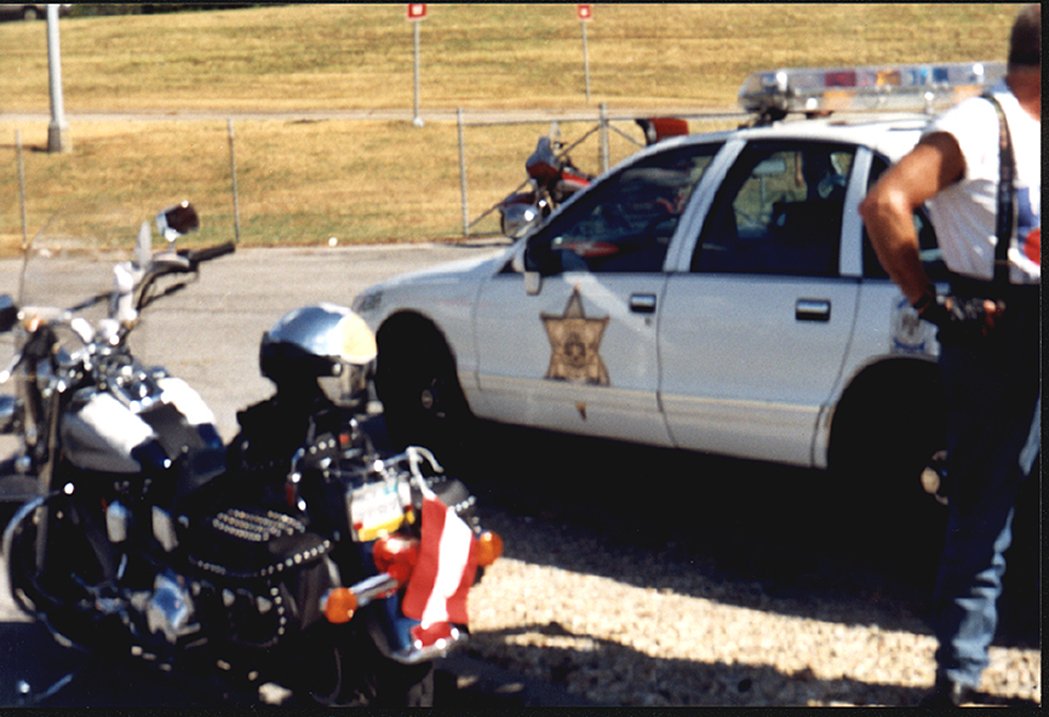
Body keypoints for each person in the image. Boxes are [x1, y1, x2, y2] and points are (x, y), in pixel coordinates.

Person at [859, 5, 1040, 707]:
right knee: (983, 508)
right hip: (995, 334)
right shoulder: (979, 125)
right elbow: (884, 204)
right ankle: (959, 675)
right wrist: (932, 304)